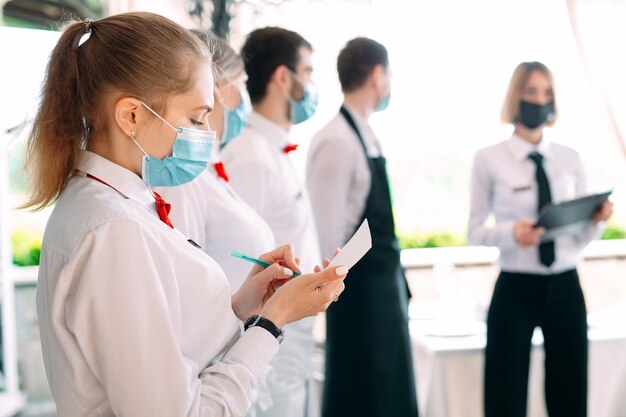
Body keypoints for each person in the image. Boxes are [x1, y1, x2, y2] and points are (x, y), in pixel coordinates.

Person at [23, 12, 347, 417]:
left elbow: (171, 336)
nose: (205, 133)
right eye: (194, 119)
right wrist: (273, 321)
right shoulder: (114, 229)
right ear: (132, 116)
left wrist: (243, 304)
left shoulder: (120, 205)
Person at [468, 61, 614, 417]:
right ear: (516, 97)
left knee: (570, 396)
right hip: (514, 290)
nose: (539, 99)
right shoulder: (488, 159)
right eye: (531, 91)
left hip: (565, 288)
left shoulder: (570, 158)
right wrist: (511, 234)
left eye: (546, 92)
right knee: (505, 397)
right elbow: (474, 232)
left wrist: (595, 221)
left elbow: (576, 240)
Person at [305, 37, 418, 417]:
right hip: (359, 302)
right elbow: (328, 236)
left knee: (391, 396)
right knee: (363, 398)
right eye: (388, 75)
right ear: (376, 75)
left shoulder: (366, 134)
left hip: (384, 295)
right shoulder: (335, 141)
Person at [220, 27, 322, 417]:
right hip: (271, 331)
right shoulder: (250, 157)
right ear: (284, 78)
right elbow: (237, 257)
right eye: (308, 72)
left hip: (292, 328)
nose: (312, 85)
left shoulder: (274, 149)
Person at [155, 33, 272, 294]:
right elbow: (185, 281)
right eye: (242, 84)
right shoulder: (182, 177)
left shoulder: (209, 169)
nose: (245, 99)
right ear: (215, 90)